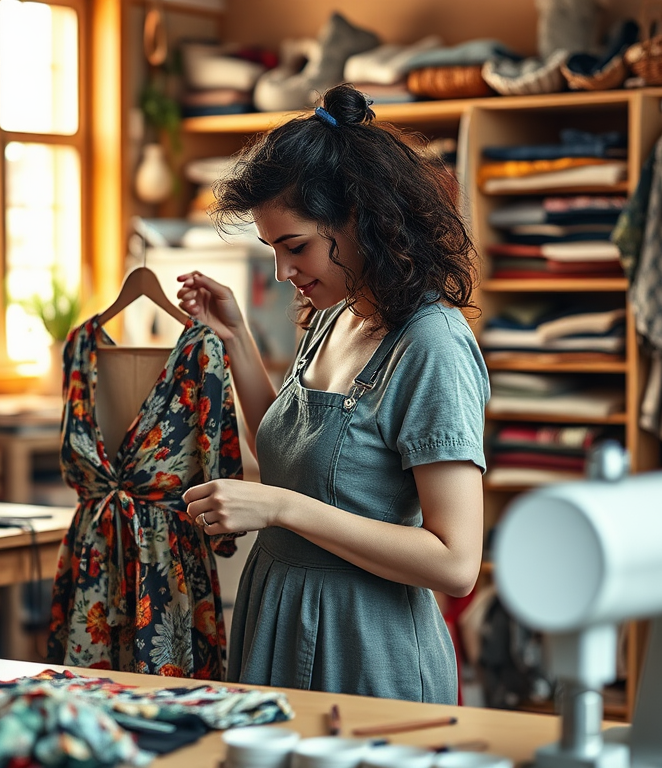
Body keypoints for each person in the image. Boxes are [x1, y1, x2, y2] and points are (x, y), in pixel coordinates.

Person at [175, 83, 489, 704]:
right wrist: (236, 335)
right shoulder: (334, 315)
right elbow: (300, 459)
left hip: (367, 648)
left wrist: (279, 509)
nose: (283, 273)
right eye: (272, 250)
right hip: (278, 623)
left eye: (296, 246)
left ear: (361, 221)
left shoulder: (431, 346)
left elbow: (456, 563)